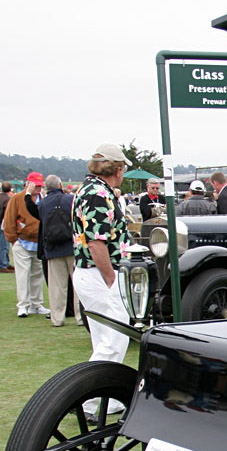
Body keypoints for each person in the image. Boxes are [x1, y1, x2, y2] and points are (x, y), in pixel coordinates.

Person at [72, 143, 132, 373]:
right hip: (99, 273)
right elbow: (97, 242)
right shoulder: (97, 193)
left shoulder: (90, 189)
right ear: (117, 169)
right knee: (114, 339)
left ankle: (104, 399)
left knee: (105, 339)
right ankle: (90, 398)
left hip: (92, 272)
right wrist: (110, 279)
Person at [3, 172, 50, 318]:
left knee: (37, 274)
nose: (38, 188)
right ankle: (23, 305)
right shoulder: (17, 199)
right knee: (23, 275)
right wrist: (13, 240)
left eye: (40, 186)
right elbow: (9, 220)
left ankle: (36, 304)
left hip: (38, 243)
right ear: (28, 184)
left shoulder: (43, 199)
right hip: (22, 242)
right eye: (35, 185)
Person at [38, 175, 80, 327]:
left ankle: (57, 318)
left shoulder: (42, 203)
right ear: (61, 185)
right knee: (77, 283)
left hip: (53, 248)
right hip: (71, 245)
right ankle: (81, 316)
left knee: (57, 286)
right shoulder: (70, 199)